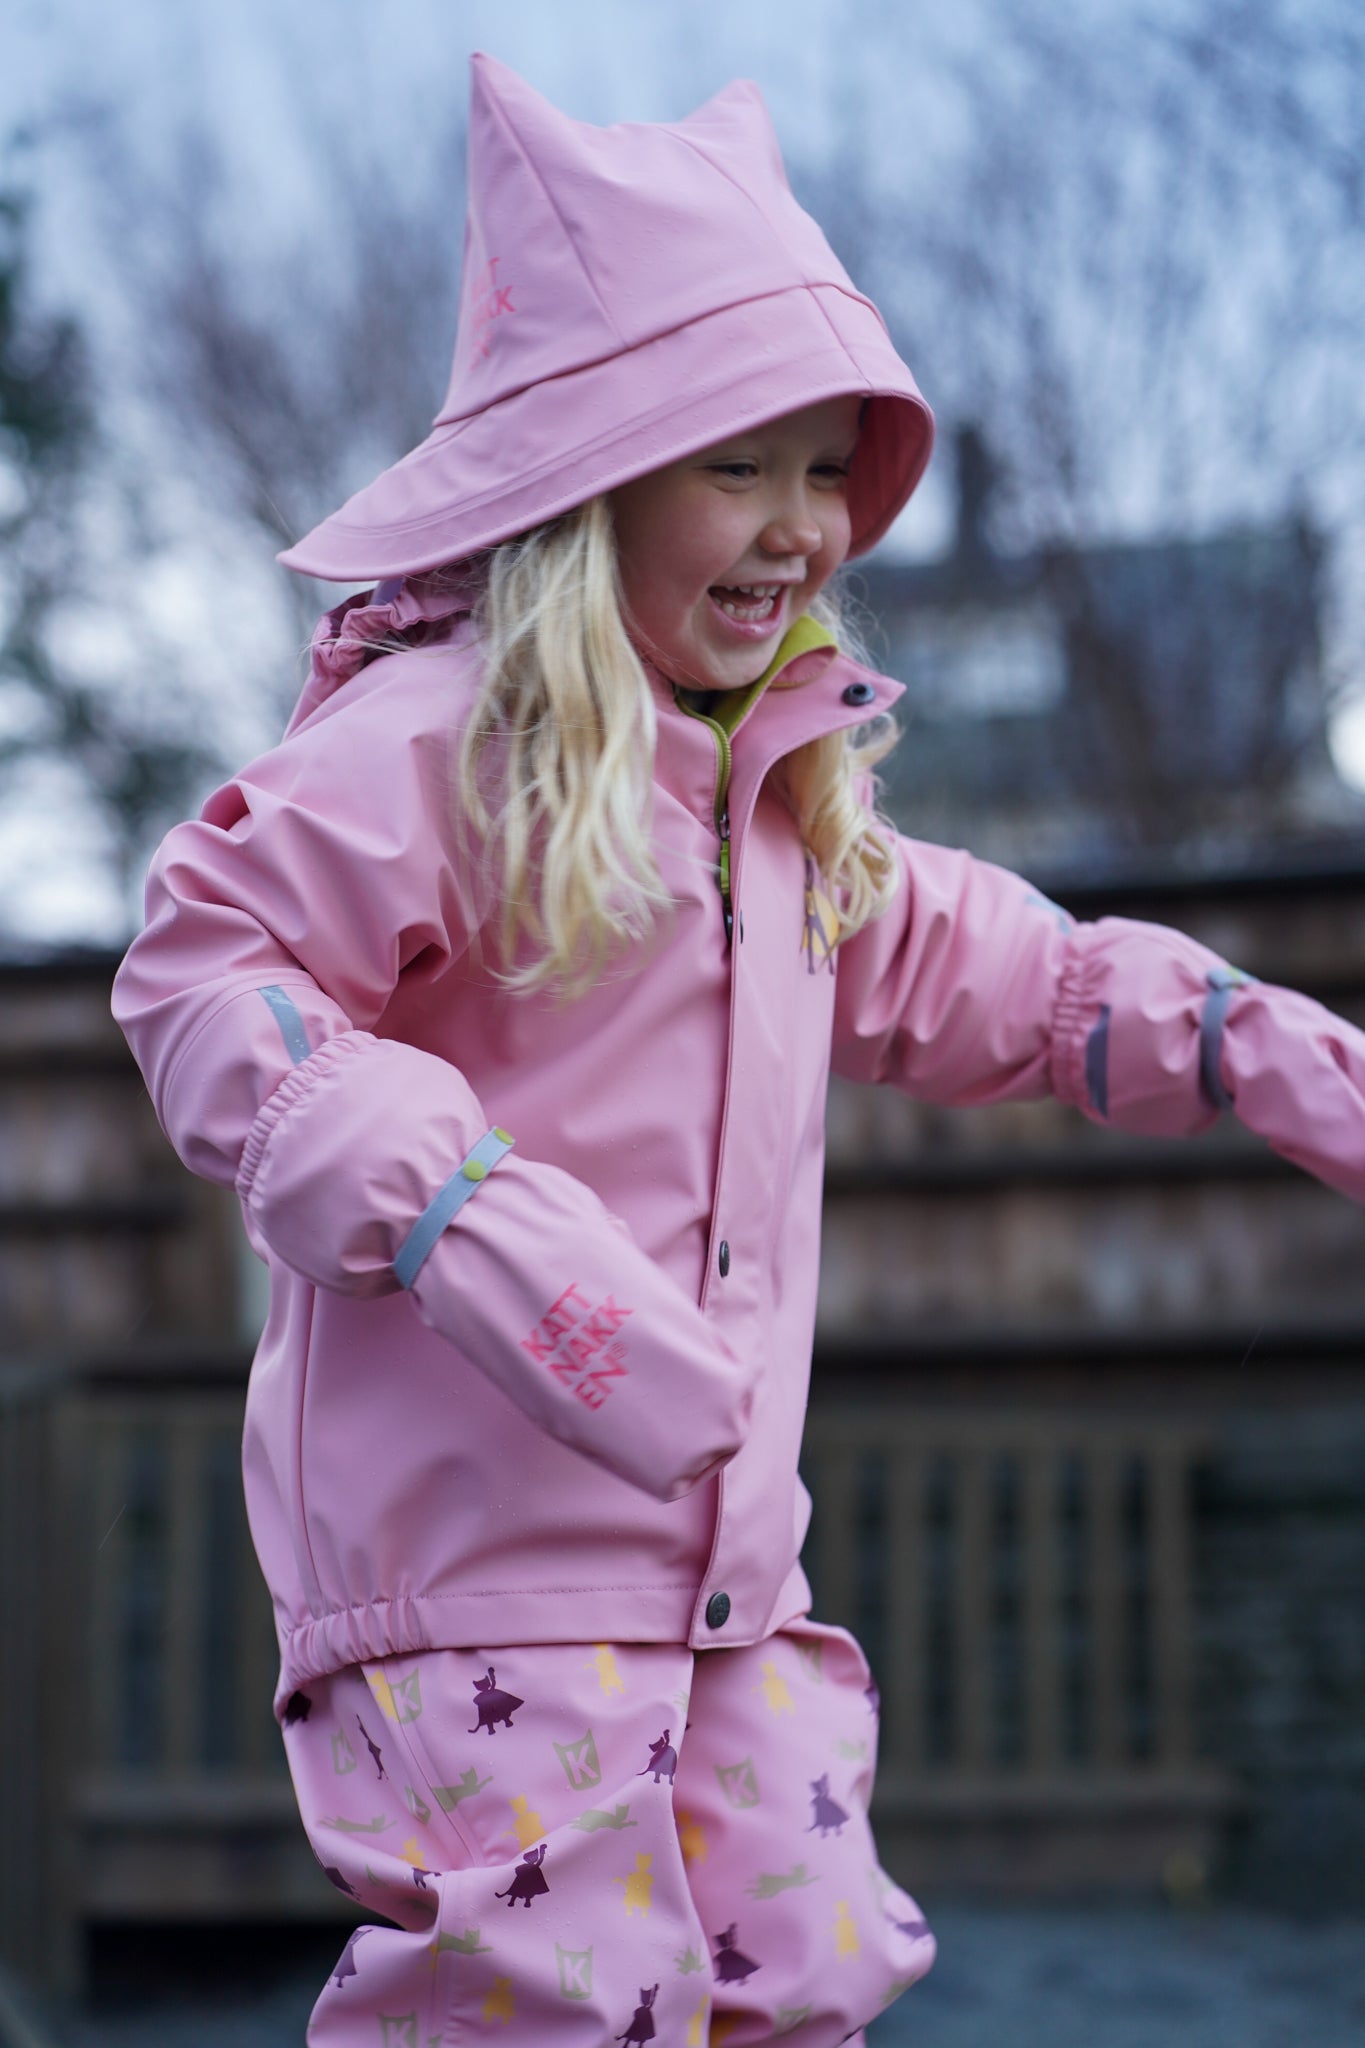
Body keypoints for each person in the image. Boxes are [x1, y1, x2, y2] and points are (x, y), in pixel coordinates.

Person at [112, 54, 1365, 2048]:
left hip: (724, 1589)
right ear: (588, 481)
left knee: (805, 1974)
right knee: (556, 2004)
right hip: (475, 1588)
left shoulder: (776, 818)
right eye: (738, 468)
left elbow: (1037, 985)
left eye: (824, 470)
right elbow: (204, 970)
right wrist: (462, 1213)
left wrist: (1286, 1057)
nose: (798, 529)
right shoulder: (436, 746)